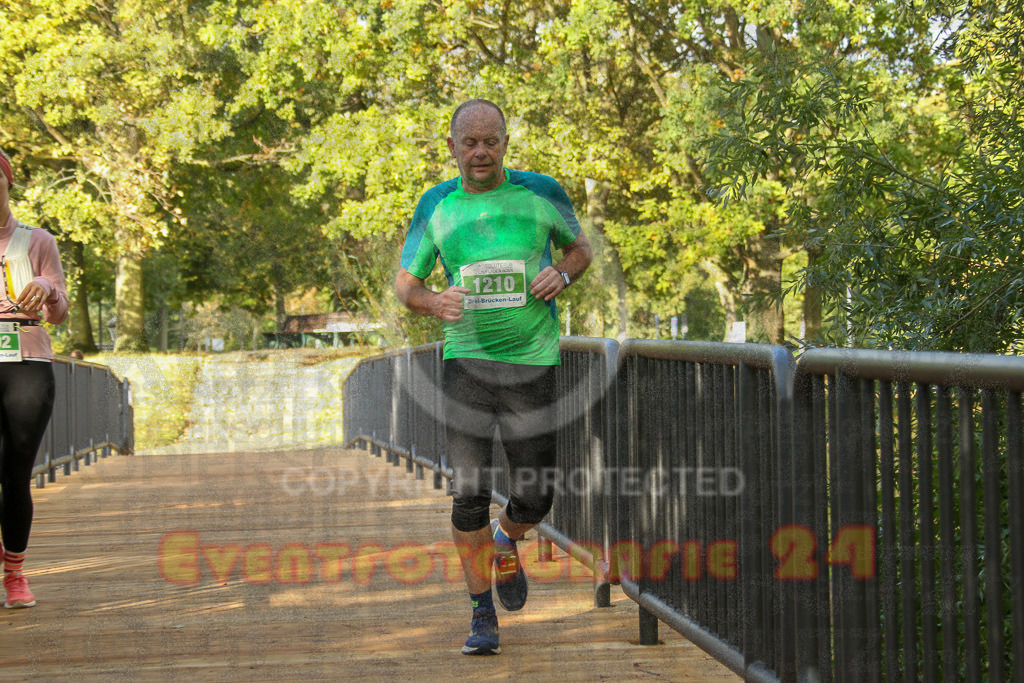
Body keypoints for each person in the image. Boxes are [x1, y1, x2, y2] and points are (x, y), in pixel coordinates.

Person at [395, 99, 593, 655]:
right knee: (468, 495)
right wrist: (434, 302)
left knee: (535, 496)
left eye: (491, 141)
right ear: (452, 147)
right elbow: (407, 284)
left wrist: (562, 274)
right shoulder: (436, 204)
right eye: (470, 142)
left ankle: (506, 541)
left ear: (506, 142)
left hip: (533, 361)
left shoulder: (542, 192)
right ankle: (481, 612)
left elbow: (580, 249)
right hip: (466, 364)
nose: (480, 152)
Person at [0, 150, 69, 608]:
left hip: (26, 358)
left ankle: (15, 574)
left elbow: (59, 314)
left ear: (8, 183)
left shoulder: (37, 240)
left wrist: (47, 288)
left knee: (16, 471)